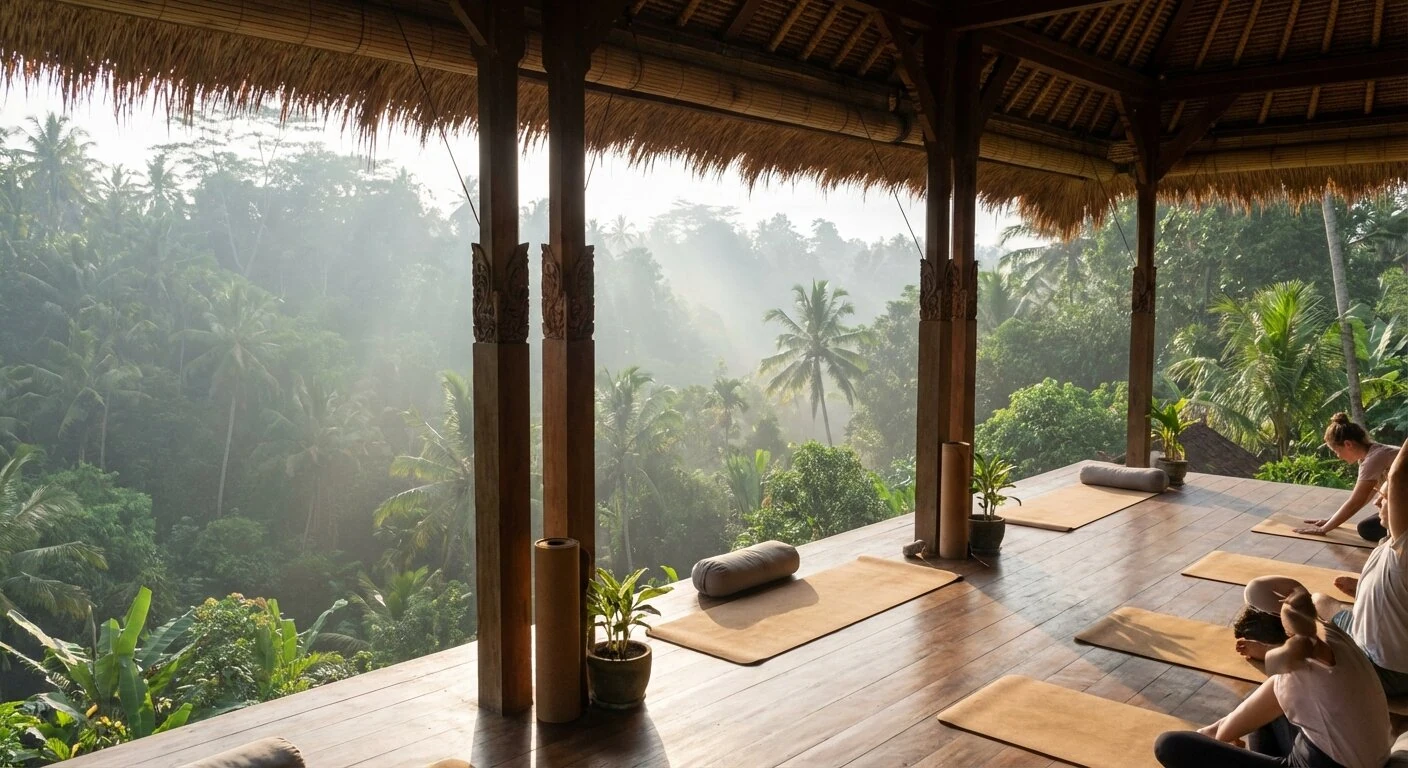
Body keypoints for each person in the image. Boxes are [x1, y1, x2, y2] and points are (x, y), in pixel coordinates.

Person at [1154, 588, 1391, 768]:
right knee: (1260, 707)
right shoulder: (1332, 634)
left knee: (1169, 745)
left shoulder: (1299, 668)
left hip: (1330, 763)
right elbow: (1314, 598)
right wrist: (1219, 732)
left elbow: (1222, 732)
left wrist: (1215, 736)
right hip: (1354, 756)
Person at [1243, 441, 1408, 697]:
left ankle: (1275, 648)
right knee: (1319, 600)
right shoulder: (1390, 545)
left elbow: (1399, 476)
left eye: (1385, 497)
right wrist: (1362, 589)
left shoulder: (1403, 549)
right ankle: (1303, 631)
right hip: (1367, 632)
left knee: (1308, 660)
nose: (1377, 503)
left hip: (1386, 669)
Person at [1296, 413, 1399, 542]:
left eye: (1336, 451)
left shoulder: (1374, 459)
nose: (1338, 457)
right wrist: (1330, 520)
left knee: (1366, 528)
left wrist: (1324, 529)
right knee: (1370, 525)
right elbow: (1365, 495)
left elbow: (1356, 501)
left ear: (1348, 444)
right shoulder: (1371, 455)